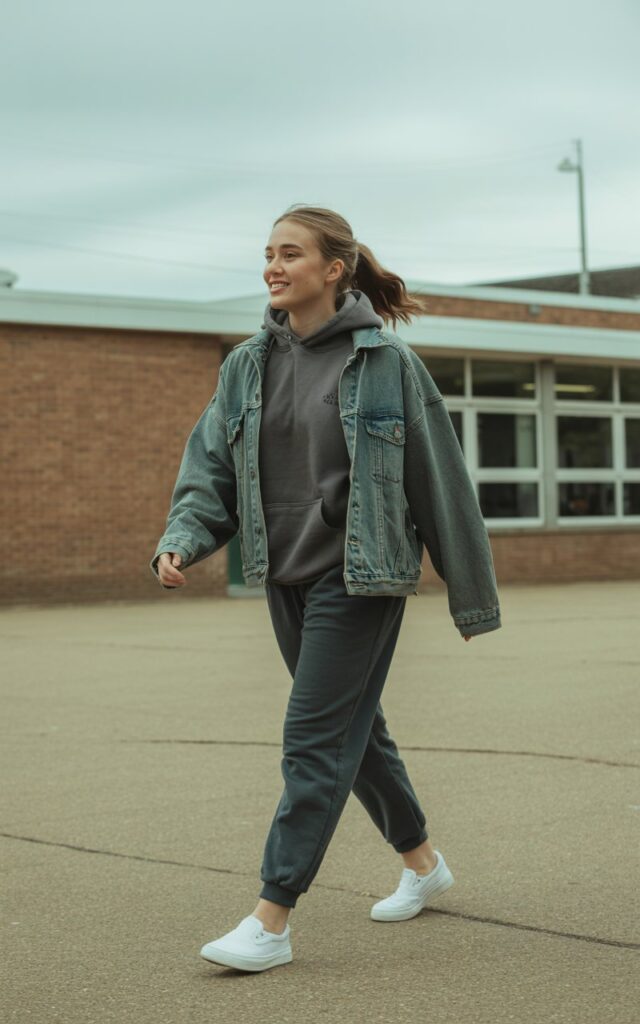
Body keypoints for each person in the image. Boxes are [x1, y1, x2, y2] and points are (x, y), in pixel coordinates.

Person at [150, 204, 501, 973]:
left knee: (312, 743)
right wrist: (183, 537)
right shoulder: (247, 364)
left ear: (334, 269)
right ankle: (422, 862)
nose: (273, 266)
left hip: (361, 580)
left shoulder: (386, 363)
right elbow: (209, 465)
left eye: (290, 253)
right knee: (357, 735)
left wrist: (469, 595)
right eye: (268, 254)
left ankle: (271, 919)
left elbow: (438, 479)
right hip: (287, 578)